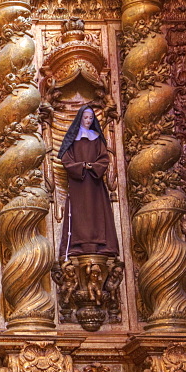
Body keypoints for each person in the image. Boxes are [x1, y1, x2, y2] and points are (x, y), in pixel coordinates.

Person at [56, 106, 119, 258]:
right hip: (79, 184)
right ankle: (78, 246)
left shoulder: (96, 137)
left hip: (95, 184)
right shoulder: (73, 138)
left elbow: (104, 159)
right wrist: (81, 167)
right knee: (80, 214)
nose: (88, 121)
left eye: (91, 118)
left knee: (97, 213)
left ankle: (101, 246)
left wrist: (92, 166)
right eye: (85, 117)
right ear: (80, 118)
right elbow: (66, 159)